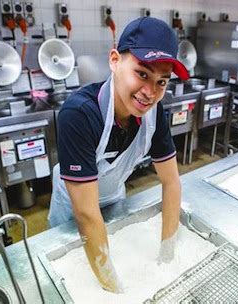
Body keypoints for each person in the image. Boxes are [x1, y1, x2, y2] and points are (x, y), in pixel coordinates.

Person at [48, 16, 189, 293]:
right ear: (115, 60)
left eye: (162, 82)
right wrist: (115, 290)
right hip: (73, 208)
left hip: (113, 198)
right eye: (142, 73)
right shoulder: (79, 114)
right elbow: (87, 215)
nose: (150, 93)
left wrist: (167, 255)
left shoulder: (154, 114)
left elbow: (171, 182)